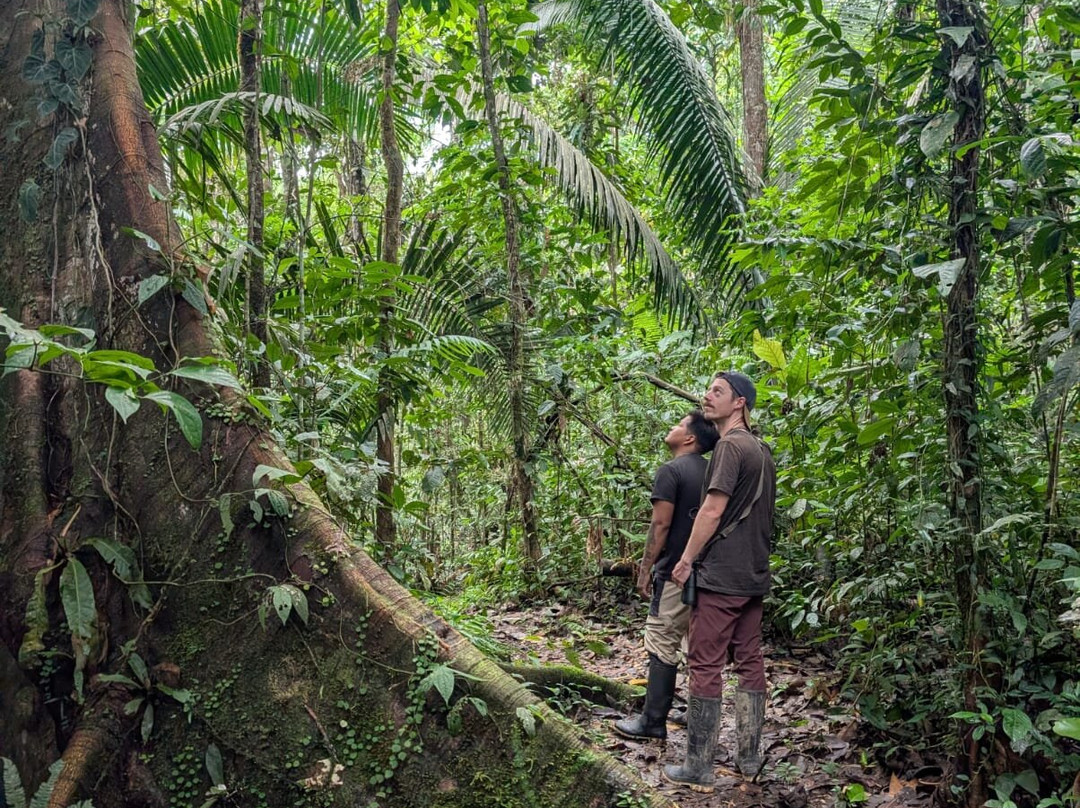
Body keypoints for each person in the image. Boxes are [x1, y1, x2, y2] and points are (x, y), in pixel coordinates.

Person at [662, 371, 777, 793]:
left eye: (717, 392)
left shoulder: (730, 446)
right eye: (708, 390)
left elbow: (712, 510)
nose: (707, 397)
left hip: (722, 576)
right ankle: (749, 758)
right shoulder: (761, 449)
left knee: (705, 662)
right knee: (749, 659)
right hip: (752, 575)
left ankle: (699, 765)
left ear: (740, 402)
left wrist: (687, 559)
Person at [614, 410, 718, 741]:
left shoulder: (671, 471)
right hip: (709, 573)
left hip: (675, 571)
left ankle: (653, 721)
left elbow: (660, 524)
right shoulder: (714, 471)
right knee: (694, 643)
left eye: (678, 425)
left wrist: (645, 570)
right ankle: (699, 718)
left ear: (689, 438)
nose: (671, 428)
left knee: (661, 639)